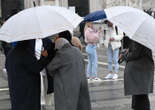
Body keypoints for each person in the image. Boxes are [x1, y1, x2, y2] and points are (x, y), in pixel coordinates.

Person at [6, 40, 53, 110]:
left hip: (15, 89)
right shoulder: (25, 54)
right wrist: (45, 57)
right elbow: (36, 67)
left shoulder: (11, 54)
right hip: (28, 90)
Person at [47, 38, 91, 110]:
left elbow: (50, 67)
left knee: (66, 105)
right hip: (81, 83)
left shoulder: (61, 53)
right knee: (80, 105)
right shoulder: (77, 50)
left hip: (66, 85)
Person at [120, 38, 154, 110]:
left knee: (140, 96)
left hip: (139, 70)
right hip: (142, 69)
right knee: (140, 95)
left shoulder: (139, 38)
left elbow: (134, 54)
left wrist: (124, 56)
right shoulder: (144, 37)